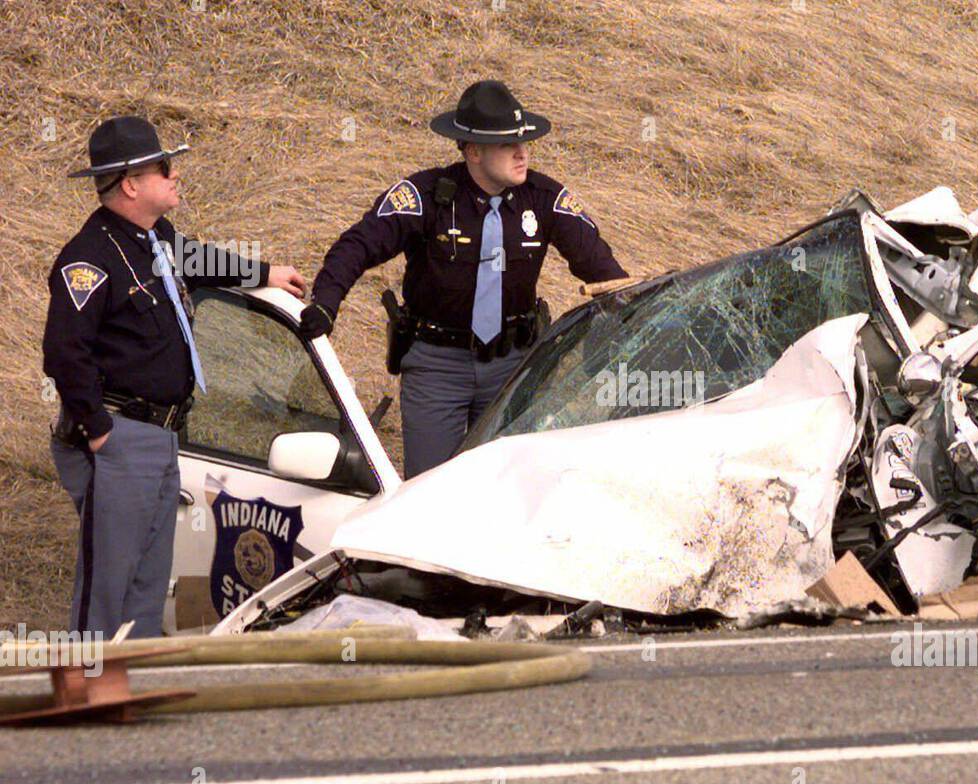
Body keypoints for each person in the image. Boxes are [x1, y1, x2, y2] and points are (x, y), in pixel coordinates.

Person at [43, 115, 306, 638]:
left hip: (160, 435)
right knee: (109, 582)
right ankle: (91, 693)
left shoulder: (154, 237)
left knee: (147, 581)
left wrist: (265, 273)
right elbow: (64, 353)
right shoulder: (88, 260)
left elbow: (197, 258)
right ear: (130, 184)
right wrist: (99, 429)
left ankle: (132, 686)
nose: (175, 176)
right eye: (164, 168)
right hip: (121, 433)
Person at [303, 80, 628, 477]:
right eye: (508, 144)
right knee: (428, 488)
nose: (522, 152)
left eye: (524, 141)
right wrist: (325, 302)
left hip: (511, 365)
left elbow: (601, 269)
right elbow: (358, 245)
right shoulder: (427, 196)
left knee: (508, 484)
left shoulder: (542, 199)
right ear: (473, 151)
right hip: (437, 367)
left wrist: (633, 314)